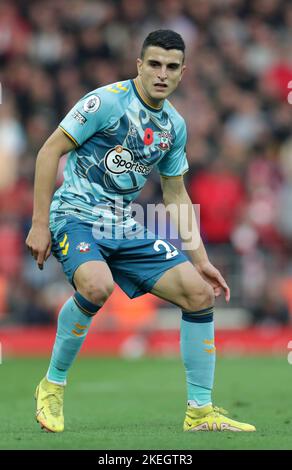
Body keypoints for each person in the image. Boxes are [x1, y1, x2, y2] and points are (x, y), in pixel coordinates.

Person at [26, 29, 255, 433]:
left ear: (183, 72)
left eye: (171, 67)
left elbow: (176, 194)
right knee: (97, 287)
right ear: (139, 65)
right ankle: (52, 385)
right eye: (154, 64)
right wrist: (39, 223)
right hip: (75, 216)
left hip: (124, 225)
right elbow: (49, 151)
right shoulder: (106, 101)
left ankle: (200, 412)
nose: (161, 74)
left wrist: (200, 260)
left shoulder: (174, 126)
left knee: (199, 294)